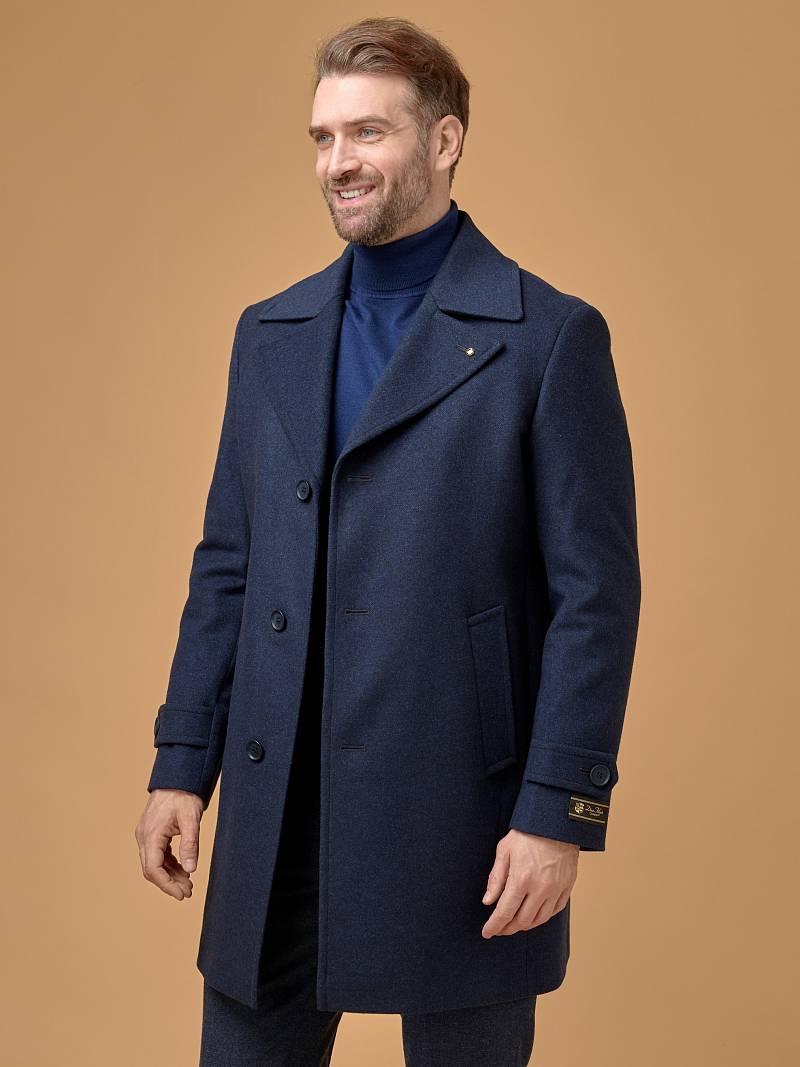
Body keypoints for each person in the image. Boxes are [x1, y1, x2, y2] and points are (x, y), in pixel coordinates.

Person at [134, 16, 641, 1066]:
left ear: (444, 141)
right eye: (323, 137)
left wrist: (558, 811)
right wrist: (181, 764)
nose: (338, 162)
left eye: (368, 132)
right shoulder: (268, 334)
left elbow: (594, 597)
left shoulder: (548, 338)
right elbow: (227, 567)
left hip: (463, 814)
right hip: (275, 810)